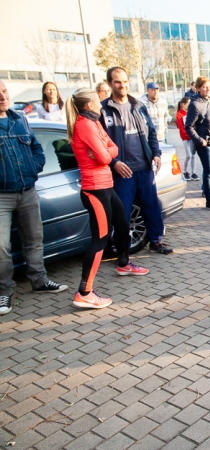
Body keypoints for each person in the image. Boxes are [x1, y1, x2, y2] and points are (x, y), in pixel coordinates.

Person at [65, 88, 149, 309]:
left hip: (106, 185)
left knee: (122, 224)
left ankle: (123, 263)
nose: (101, 104)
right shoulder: (84, 124)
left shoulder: (94, 122)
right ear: (89, 105)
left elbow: (112, 148)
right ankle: (84, 292)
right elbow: (104, 154)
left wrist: (105, 151)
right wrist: (105, 152)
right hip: (95, 189)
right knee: (100, 239)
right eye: (97, 101)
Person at [0, 79, 68, 314]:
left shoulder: (20, 120)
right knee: (2, 247)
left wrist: (33, 168)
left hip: (27, 191)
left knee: (34, 239)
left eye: (5, 91)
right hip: (2, 196)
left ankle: (39, 281)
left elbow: (37, 149)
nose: (3, 96)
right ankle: (4, 292)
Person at [100, 66, 174, 255]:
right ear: (110, 84)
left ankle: (156, 241)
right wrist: (114, 162)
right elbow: (99, 144)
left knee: (152, 207)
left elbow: (150, 133)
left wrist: (156, 153)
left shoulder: (139, 106)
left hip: (144, 168)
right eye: (117, 82)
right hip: (122, 172)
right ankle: (121, 249)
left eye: (125, 81)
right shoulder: (103, 110)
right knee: (122, 213)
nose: (122, 85)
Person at [185, 76, 210, 210]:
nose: (207, 89)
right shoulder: (195, 104)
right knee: (208, 172)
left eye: (208, 87)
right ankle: (209, 199)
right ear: (198, 88)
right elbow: (188, 126)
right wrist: (199, 140)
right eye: (204, 87)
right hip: (206, 144)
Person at [176, 97, 198, 181]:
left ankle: (194, 172)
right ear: (183, 104)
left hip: (192, 137)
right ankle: (184, 171)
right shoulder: (179, 114)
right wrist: (190, 135)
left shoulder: (189, 113)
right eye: (188, 104)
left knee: (193, 155)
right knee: (188, 155)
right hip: (185, 137)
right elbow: (182, 128)